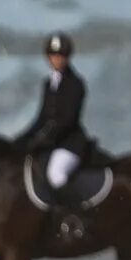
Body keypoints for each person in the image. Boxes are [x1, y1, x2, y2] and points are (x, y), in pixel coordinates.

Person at [13, 31, 96, 241]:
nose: (57, 60)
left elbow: (67, 120)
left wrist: (43, 140)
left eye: (61, 56)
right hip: (52, 143)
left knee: (56, 174)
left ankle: (76, 217)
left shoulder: (76, 84)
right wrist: (22, 140)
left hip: (70, 144)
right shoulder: (48, 83)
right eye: (53, 55)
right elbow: (41, 118)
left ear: (67, 57)